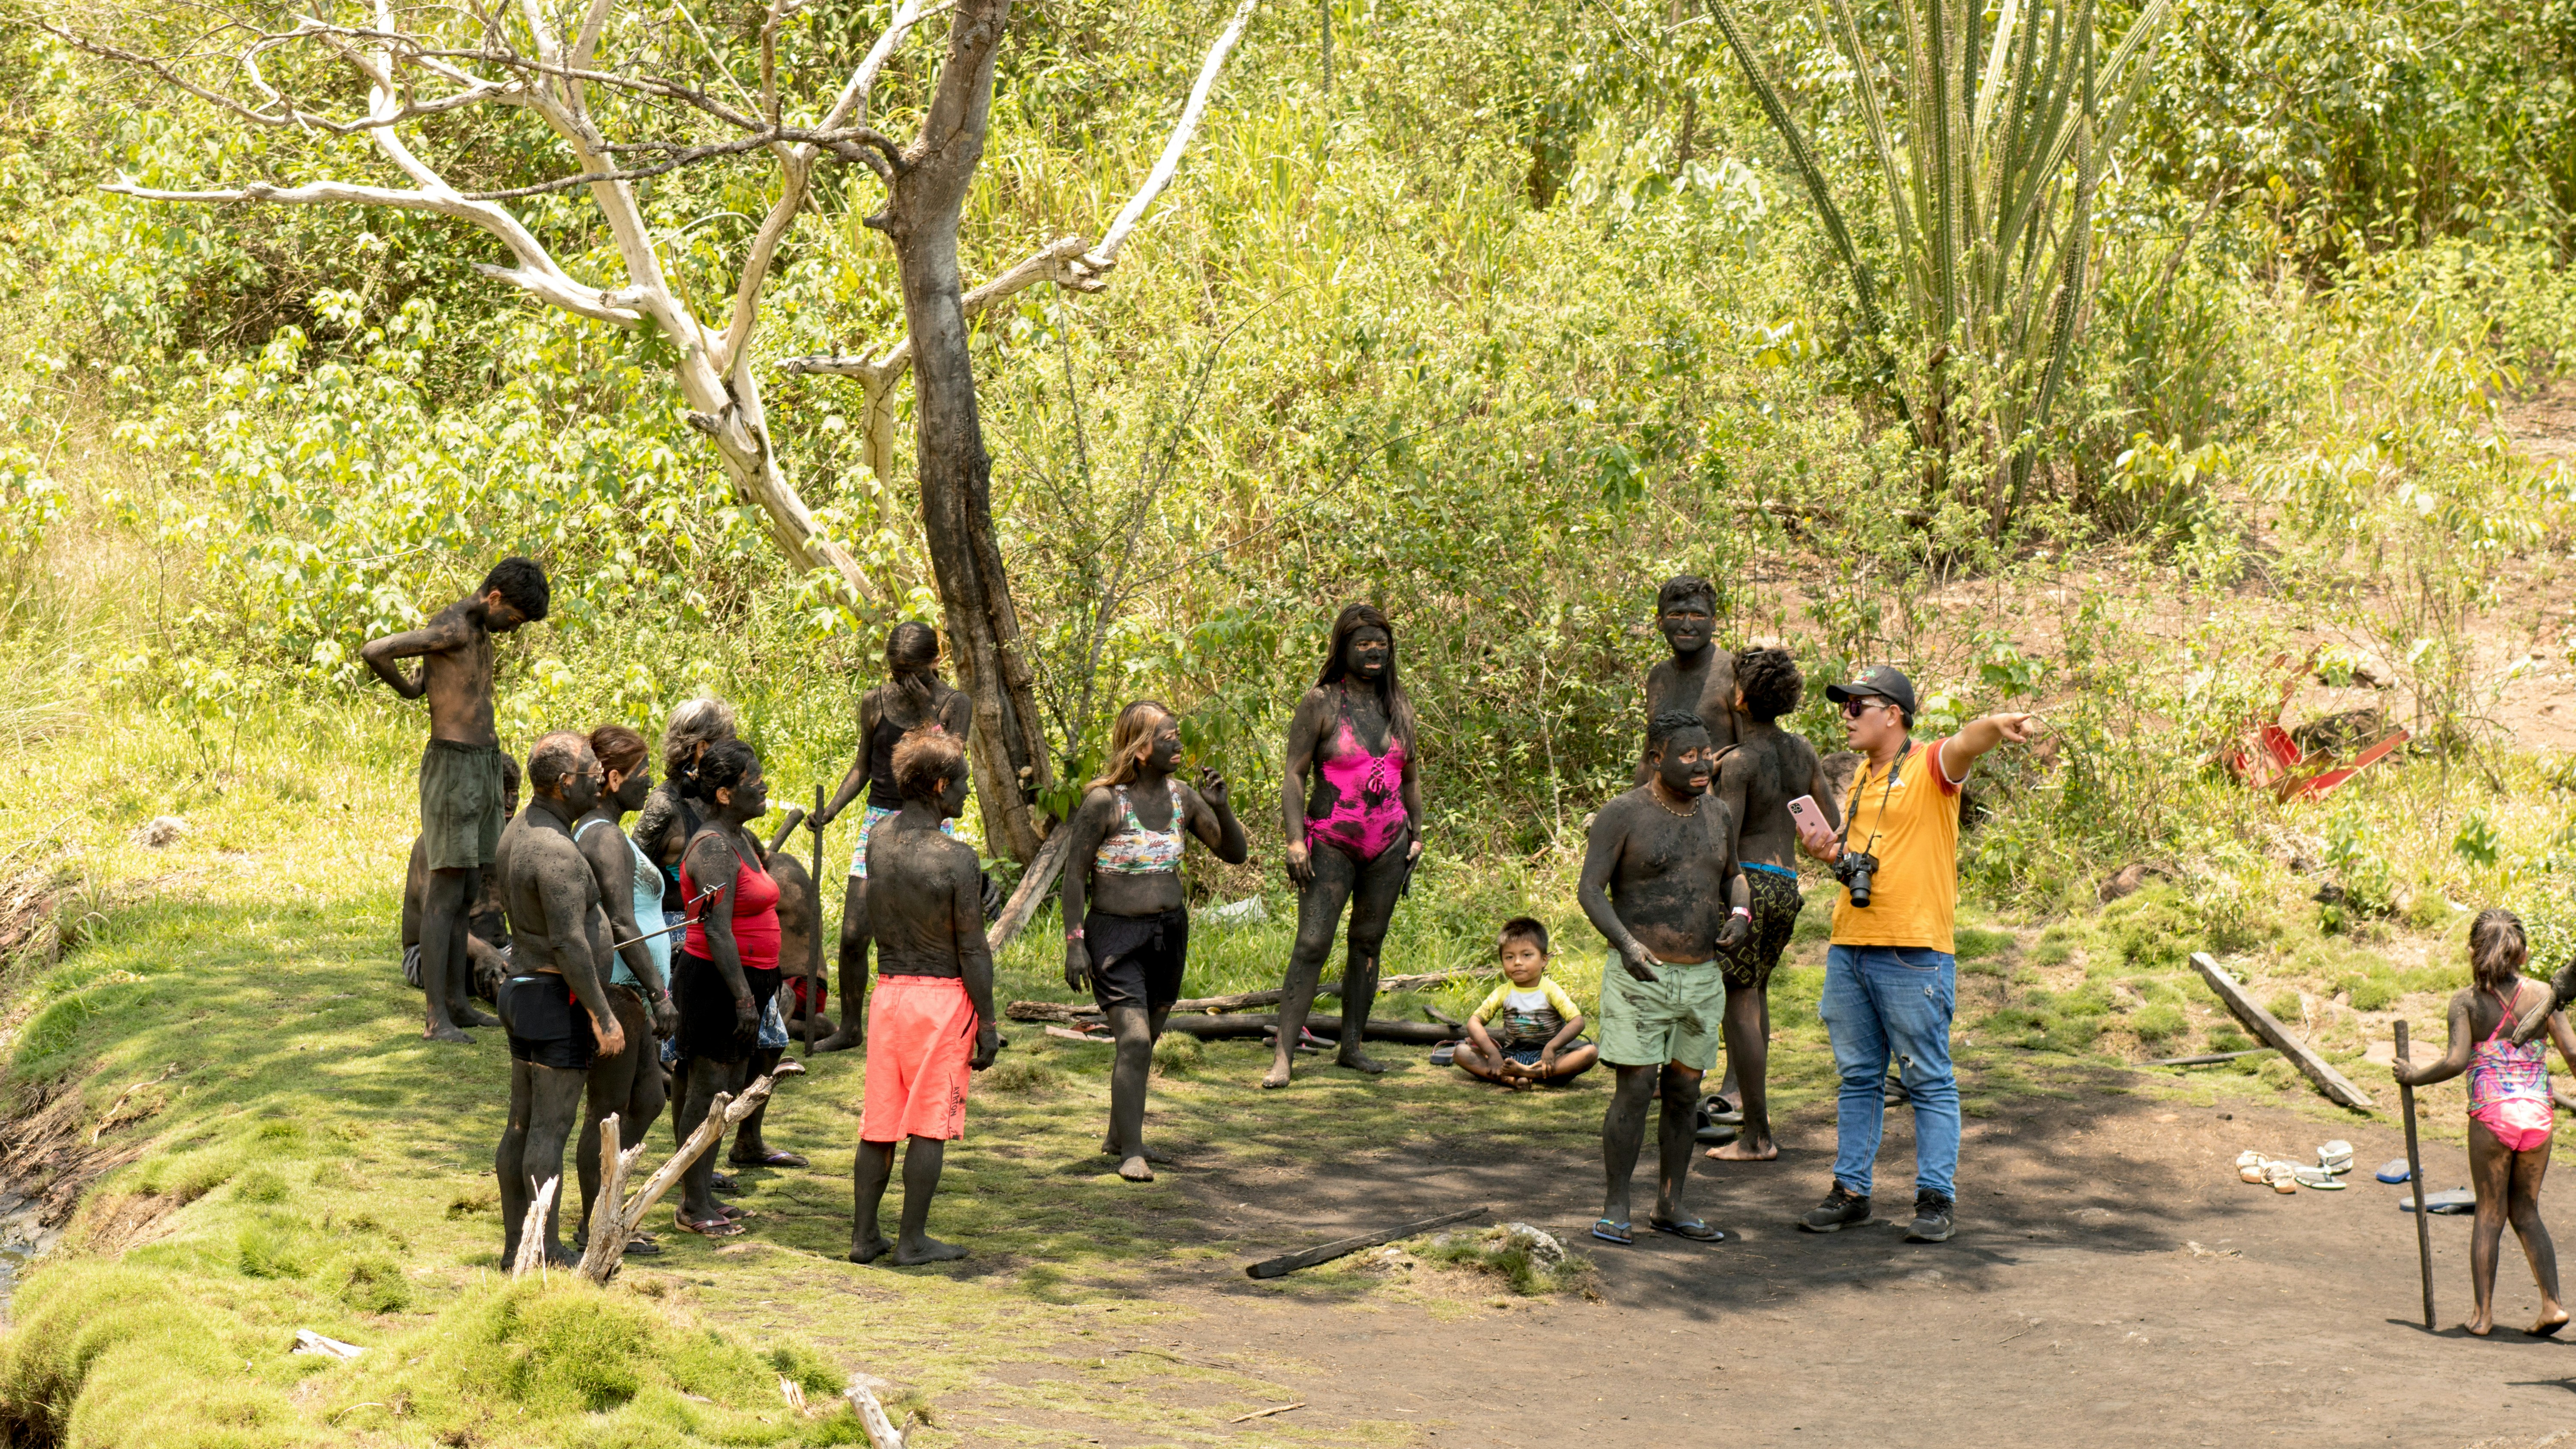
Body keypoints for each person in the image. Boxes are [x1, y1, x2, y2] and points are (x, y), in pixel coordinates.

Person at [1792, 664, 2036, 1244]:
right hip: (1850, 945)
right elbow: (1862, 862)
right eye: (1844, 706)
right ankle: (1851, 1192)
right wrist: (1829, 854)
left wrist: (1996, 725)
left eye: (1857, 706)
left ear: (1892, 714)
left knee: (1927, 1079)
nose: (1845, 716)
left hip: (1914, 950)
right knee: (1858, 1078)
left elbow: (1965, 744)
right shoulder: (1861, 778)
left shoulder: (1930, 765)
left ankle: (1935, 1200)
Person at [1057, 700, 1248, 1181]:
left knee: (1147, 1039)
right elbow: (1074, 877)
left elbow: (1235, 853)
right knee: (1136, 1040)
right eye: (1168, 737)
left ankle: (1118, 1135)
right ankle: (1132, 1152)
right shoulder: (1104, 802)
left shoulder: (1184, 797)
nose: (1179, 744)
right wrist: (1074, 941)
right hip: (1115, 937)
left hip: (1169, 935)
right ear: (1141, 748)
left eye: (1178, 735)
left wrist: (1222, 806)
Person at [1579, 709, 1749, 1247]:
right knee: (1634, 1089)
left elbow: (1734, 876)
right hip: (1640, 976)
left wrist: (1740, 915)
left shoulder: (1718, 814)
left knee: (1685, 1091)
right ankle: (1616, 1207)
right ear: (1656, 758)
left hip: (1701, 979)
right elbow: (1590, 889)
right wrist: (1627, 946)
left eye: (1707, 754)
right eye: (1688, 755)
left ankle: (1671, 1204)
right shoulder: (1623, 813)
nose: (1702, 765)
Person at [361, 556, 550, 1043]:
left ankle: (459, 1005)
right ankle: (435, 1018)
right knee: (445, 893)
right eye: (514, 618)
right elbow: (376, 649)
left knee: (468, 887)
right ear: (494, 599)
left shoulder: (479, 632)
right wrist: (409, 689)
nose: (513, 629)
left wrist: (427, 680)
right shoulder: (452, 627)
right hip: (453, 766)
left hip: (484, 764)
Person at [853, 729, 1002, 1264]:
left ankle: (864, 1235)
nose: (965, 794)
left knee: (880, 1122)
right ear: (940, 786)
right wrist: (987, 1022)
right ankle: (912, 1240)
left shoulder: (879, 840)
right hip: (941, 1000)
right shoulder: (955, 857)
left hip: (889, 994)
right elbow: (974, 948)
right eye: (961, 784)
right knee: (928, 1124)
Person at [2392, 909, 2576, 1337]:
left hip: (2493, 1118)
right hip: (2538, 1118)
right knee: (2526, 1209)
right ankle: (2552, 1305)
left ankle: (2482, 1315)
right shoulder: (2546, 996)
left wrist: (2413, 1074)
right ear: (2523, 954)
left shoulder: (2467, 1002)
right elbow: (2571, 1053)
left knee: (2490, 1213)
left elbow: (2457, 1061)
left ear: (2473, 951)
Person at [1269, 603, 1426, 1088]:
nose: (1374, 651)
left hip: (1389, 843)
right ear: (1343, 649)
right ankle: (1283, 1057)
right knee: (1313, 943)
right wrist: (1295, 840)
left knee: (1367, 943)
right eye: (1363, 643)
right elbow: (1294, 775)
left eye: (1382, 643)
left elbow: (1412, 778)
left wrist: (1418, 834)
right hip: (1331, 838)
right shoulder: (1320, 702)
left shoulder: (1398, 705)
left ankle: (1351, 1047)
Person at [491, 731, 629, 1266]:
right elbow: (570, 943)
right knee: (549, 1128)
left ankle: (516, 1249)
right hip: (555, 1000)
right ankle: (542, 1249)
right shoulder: (556, 852)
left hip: (524, 993)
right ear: (565, 782)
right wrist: (601, 1013)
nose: (603, 776)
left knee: (522, 1125)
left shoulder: (518, 832)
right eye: (593, 769)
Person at [810, 622, 972, 1055]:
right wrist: (832, 809)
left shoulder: (954, 704)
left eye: (914, 671)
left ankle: (966, 1018)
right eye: (898, 672)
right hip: (878, 821)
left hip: (933, 821)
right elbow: (863, 766)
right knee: (852, 934)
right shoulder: (874, 701)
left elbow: (951, 765)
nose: (905, 681)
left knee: (942, 931)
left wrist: (925, 713)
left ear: (936, 662)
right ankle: (849, 1027)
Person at [1706, 645, 1841, 1162]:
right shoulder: (1803, 751)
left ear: (1739, 697)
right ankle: (1753, 1120)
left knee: (1739, 1001)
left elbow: (1726, 844)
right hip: (1787, 884)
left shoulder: (1739, 763)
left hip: (1749, 887)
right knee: (1755, 992)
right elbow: (1830, 829)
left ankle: (1757, 1135)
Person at [568, 724, 681, 1258]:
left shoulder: (603, 831)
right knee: (607, 1111)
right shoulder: (605, 836)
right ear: (613, 779)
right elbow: (619, 920)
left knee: (650, 1098)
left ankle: (608, 1209)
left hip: (631, 991)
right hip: (620, 988)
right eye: (642, 775)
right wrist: (660, 991)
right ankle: (596, 1223)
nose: (650, 785)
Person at [670, 739, 782, 1238]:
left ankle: (704, 1191)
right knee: (707, 1089)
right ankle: (692, 1203)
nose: (763, 787)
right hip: (716, 982)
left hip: (747, 979)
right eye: (752, 781)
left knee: (729, 1087)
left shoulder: (740, 837)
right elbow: (715, 929)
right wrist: (742, 996)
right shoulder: (713, 847)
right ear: (722, 793)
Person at [402, 753, 520, 1000]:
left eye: (514, 792)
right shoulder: (436, 842)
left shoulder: (510, 840)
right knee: (502, 980)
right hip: (432, 953)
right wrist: (485, 954)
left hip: (500, 948)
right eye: (501, 792)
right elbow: (436, 919)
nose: (509, 802)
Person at [1453, 917, 1595, 1089]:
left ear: (1544, 960)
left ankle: (1527, 1075)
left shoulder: (1551, 990)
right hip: (1512, 1057)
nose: (1518, 962)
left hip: (1549, 1058)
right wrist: (1492, 1054)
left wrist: (1551, 1047)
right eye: (1509, 957)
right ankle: (1513, 1078)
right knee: (1461, 1052)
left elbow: (1578, 1021)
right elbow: (1474, 1022)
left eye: (1527, 955)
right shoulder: (1503, 992)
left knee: (1590, 1053)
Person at [1635, 576, 1738, 784]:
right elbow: (1649, 757)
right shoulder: (1659, 676)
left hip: (1718, 804)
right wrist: (1634, 809)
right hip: (1666, 805)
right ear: (1660, 622)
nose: (1686, 625)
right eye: (1676, 614)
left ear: (1714, 622)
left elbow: (1753, 753)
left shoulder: (1733, 673)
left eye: (1698, 615)